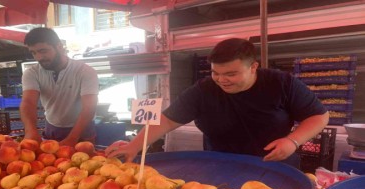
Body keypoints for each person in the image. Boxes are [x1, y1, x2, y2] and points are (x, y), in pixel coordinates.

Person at [105, 38, 329, 167]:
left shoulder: (282, 83)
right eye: (216, 73)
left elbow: (319, 116)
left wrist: (293, 141)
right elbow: (165, 121)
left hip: (274, 165)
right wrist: (134, 145)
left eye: (231, 74)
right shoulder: (204, 90)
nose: (222, 80)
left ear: (253, 67)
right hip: (220, 166)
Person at [20, 27, 99, 147]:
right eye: (34, 52)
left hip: (82, 128)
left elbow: (89, 107)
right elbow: (28, 102)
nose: (39, 57)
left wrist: (73, 138)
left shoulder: (85, 71)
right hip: (53, 127)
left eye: (43, 51)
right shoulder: (32, 73)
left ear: (59, 46)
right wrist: (30, 131)